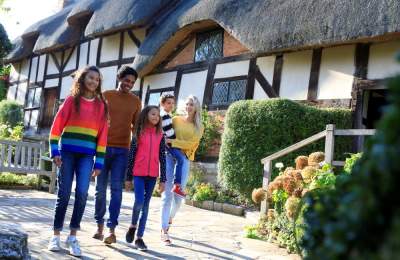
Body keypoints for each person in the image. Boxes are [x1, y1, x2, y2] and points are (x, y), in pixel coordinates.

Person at [47, 66, 108, 257]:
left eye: (97, 79)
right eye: (91, 78)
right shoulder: (71, 101)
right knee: (63, 194)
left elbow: (103, 136)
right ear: (82, 79)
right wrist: (55, 150)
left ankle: (72, 236)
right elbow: (56, 128)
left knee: (82, 194)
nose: (94, 82)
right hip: (67, 154)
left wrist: (99, 162)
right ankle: (55, 235)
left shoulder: (101, 106)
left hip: (87, 157)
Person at [93, 65, 142, 244]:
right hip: (102, 149)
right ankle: (99, 226)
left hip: (123, 150)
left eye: (132, 82)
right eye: (126, 80)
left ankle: (110, 230)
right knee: (99, 191)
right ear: (119, 78)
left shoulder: (136, 102)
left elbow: (136, 129)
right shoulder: (106, 95)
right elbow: (96, 120)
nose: (129, 84)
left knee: (116, 191)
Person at [160, 95, 204, 245]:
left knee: (178, 200)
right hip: (168, 157)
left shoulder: (199, 126)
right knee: (167, 195)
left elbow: (192, 144)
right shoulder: (176, 119)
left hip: (184, 160)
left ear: (196, 107)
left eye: (191, 104)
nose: (188, 107)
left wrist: (174, 142)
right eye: (187, 104)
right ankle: (164, 230)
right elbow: (164, 132)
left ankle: (169, 217)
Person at [124, 106, 167, 251]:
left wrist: (163, 179)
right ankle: (132, 225)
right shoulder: (138, 132)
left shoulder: (160, 134)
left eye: (158, 115)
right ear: (146, 115)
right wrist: (128, 177)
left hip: (152, 174)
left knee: (146, 205)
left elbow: (162, 157)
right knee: (139, 202)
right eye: (153, 114)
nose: (156, 117)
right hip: (138, 173)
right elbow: (131, 156)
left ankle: (139, 238)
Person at [159, 94, 187, 197]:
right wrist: (178, 143)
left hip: (167, 142)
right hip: (168, 143)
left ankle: (176, 184)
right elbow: (170, 133)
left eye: (172, 103)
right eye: (168, 103)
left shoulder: (165, 114)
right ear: (162, 103)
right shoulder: (165, 115)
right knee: (181, 159)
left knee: (178, 159)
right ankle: (177, 185)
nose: (171, 105)